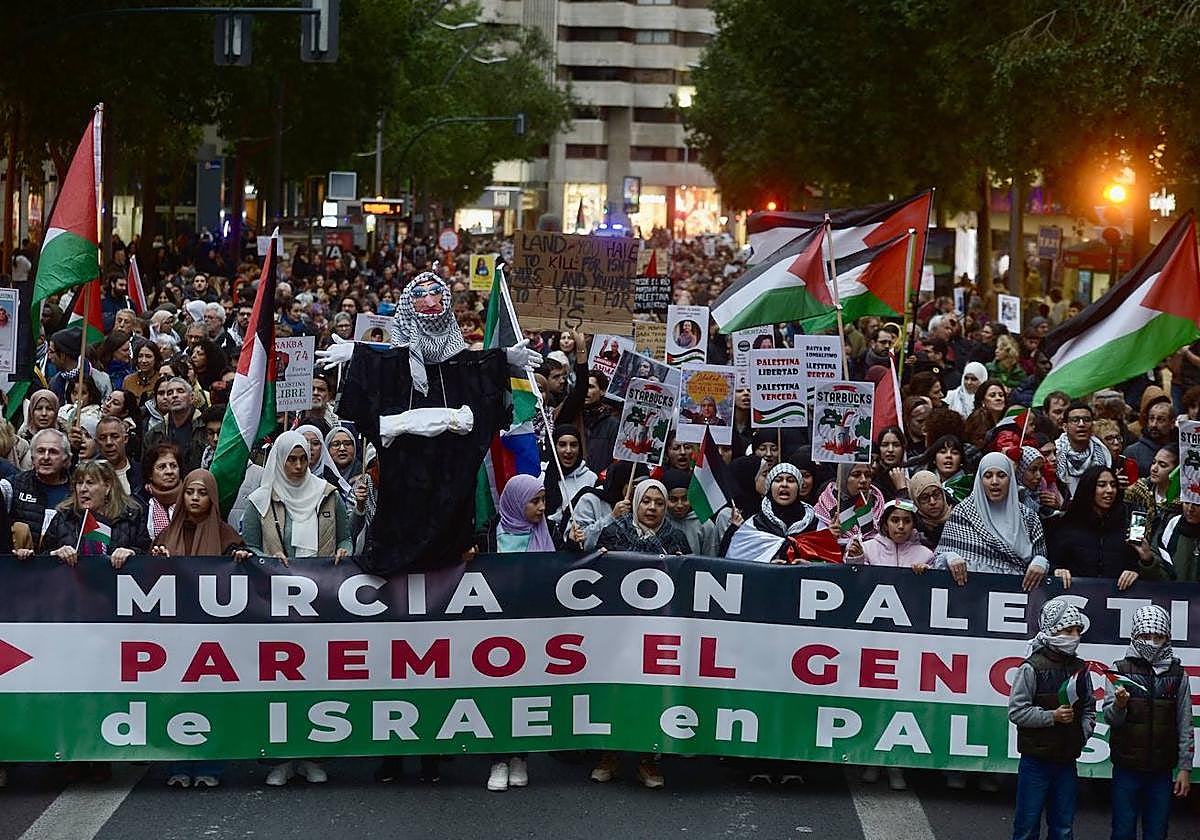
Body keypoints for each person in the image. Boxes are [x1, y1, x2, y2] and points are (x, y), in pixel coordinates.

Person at [326, 272, 540, 573]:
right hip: (404, 475)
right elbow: (386, 363)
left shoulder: (462, 364)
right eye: (420, 294)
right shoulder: (394, 364)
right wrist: (358, 354)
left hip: (448, 474)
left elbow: (474, 368)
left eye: (435, 292)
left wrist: (505, 358)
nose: (429, 301)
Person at [483, 475, 552, 792]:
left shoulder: (548, 535)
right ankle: (498, 759)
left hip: (532, 630)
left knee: (525, 694)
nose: (541, 508)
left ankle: (519, 758)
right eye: (534, 501)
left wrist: (578, 544)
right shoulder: (486, 536)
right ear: (515, 502)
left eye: (542, 500)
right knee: (497, 695)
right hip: (493, 633)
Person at [1103, 605, 1193, 840]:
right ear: (1135, 635)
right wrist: (1120, 705)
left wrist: (1184, 768)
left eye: (1158, 637)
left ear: (1167, 637)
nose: (1152, 642)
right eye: (1145, 636)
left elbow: (1185, 723)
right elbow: (1111, 719)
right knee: (1123, 830)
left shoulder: (1178, 674)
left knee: (1157, 831)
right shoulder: (1119, 670)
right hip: (1126, 768)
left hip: (1161, 771)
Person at [1008, 598, 1094, 840]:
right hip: (1036, 761)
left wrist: (1082, 734)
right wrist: (1051, 717)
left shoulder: (1080, 667)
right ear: (1052, 631)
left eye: (1077, 631)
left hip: (1067, 759)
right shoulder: (1031, 667)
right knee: (1027, 826)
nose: (1074, 636)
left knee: (1063, 828)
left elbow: (1088, 707)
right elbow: (1016, 711)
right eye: (1068, 631)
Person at [933, 452, 1050, 590]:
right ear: (980, 480)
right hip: (970, 598)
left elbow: (1040, 559)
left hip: (1016, 598)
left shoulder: (1028, 518)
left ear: (1011, 479)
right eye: (988, 476)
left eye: (1001, 475)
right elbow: (938, 560)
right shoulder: (962, 513)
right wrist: (950, 557)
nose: (995, 482)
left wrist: (1040, 562)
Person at [242, 431, 352, 563]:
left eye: (304, 458)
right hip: (276, 579)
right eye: (292, 459)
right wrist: (270, 560)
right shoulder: (260, 500)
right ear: (280, 460)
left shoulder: (328, 494)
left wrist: (344, 551)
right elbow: (250, 547)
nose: (299, 466)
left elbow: (345, 539)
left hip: (324, 580)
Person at [20, 459, 150, 567]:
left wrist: (132, 554)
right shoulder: (64, 516)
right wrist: (56, 554)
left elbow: (147, 556)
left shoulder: (131, 515)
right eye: (79, 483)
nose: (83, 489)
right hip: (71, 590)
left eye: (90, 483)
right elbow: (42, 558)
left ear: (108, 487)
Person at [1046, 465, 1145, 590]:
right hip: (1075, 598)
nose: (1109, 490)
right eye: (1102, 485)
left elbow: (1138, 564)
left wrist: (1135, 572)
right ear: (1089, 488)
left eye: (1113, 485)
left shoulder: (1127, 525)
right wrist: (1056, 571)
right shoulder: (1066, 525)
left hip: (1117, 599)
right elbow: (1051, 563)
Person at [722, 463, 821, 562]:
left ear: (798, 487)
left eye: (791, 481)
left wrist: (810, 566)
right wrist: (767, 566)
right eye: (778, 480)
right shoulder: (753, 525)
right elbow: (736, 566)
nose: (784, 484)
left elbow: (828, 565)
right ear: (770, 487)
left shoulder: (816, 525)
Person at [1, 428, 73, 550]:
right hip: (18, 566)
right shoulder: (11, 487)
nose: (46, 457)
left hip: (62, 566)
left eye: (53, 452)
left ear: (66, 459)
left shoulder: (77, 492)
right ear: (32, 457)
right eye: (40, 451)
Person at [595, 478, 691, 555]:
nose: (652, 507)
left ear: (665, 507)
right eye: (646, 501)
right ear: (636, 503)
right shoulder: (613, 533)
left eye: (659, 503)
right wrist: (602, 558)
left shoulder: (677, 538)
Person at [1123, 444, 1181, 548]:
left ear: (1177, 470)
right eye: (1154, 462)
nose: (1154, 468)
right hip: (1133, 551)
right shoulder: (1137, 491)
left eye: (1162, 465)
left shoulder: (1182, 504)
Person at [813, 462, 884, 543]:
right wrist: (829, 537)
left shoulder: (878, 503)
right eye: (856, 475)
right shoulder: (826, 506)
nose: (863, 480)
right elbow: (818, 546)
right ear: (843, 477)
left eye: (868, 475)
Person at [542, 424, 597, 530]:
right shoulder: (542, 477)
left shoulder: (591, 478)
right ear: (554, 447)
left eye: (573, 445)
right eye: (562, 445)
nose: (568, 450)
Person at [1055, 401, 1111, 496]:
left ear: (1092, 425)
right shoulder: (1054, 454)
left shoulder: (1105, 454)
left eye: (1086, 420)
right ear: (1065, 427)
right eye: (1075, 420)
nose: (1081, 424)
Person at [1123, 392, 1175, 477]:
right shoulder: (1132, 452)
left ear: (1172, 423)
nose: (1153, 424)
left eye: (1160, 420)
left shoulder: (1180, 449)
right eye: (1151, 418)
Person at [1151, 501, 1200, 581]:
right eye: (1187, 503)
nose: (1190, 509)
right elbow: (1158, 574)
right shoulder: (1168, 528)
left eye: (1198, 504)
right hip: (1172, 591)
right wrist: (1148, 562)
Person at [908, 470, 952, 548]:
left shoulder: (959, 518)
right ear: (916, 501)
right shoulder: (913, 527)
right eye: (925, 498)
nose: (932, 502)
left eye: (936, 494)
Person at [873, 425, 908, 501]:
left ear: (903, 448)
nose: (890, 450)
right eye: (885, 445)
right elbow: (903, 511)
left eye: (896, 445)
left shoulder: (909, 476)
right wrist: (902, 489)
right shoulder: (872, 480)